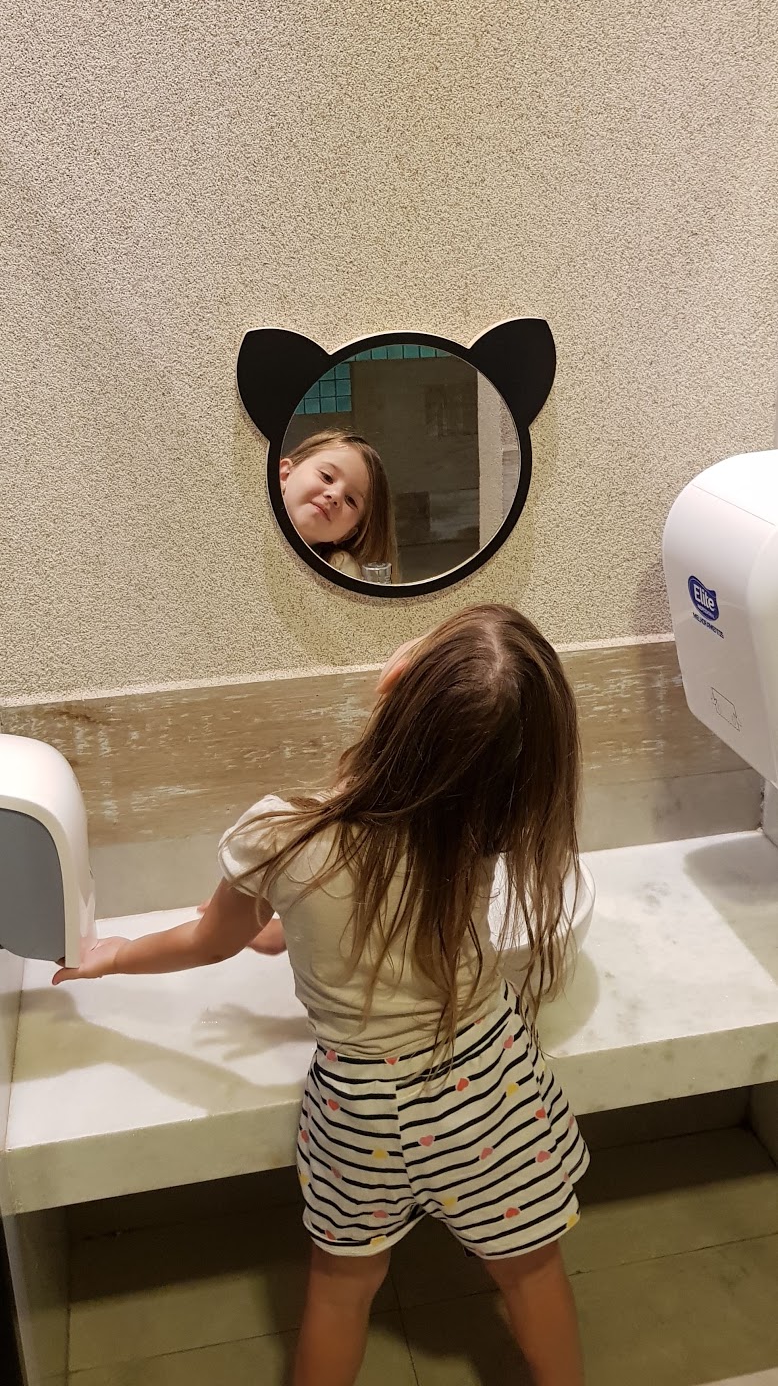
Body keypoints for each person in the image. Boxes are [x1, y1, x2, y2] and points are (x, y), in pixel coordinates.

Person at [53, 605, 589, 1385]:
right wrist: (289, 932)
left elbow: (212, 940)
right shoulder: (477, 825)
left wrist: (113, 956)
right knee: (530, 1273)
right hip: (487, 1082)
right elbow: (388, 896)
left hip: (360, 1104)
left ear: (394, 685)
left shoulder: (283, 834)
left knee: (341, 1292)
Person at [280, 430, 398, 581]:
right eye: (327, 477)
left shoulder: (341, 569)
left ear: (347, 534)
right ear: (284, 474)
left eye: (350, 500)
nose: (335, 495)